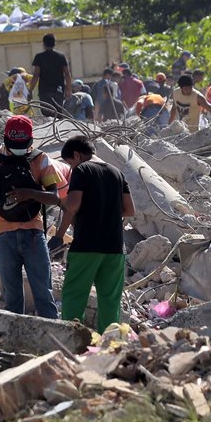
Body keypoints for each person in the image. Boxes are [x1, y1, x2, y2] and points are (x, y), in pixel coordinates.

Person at [0, 116, 60, 319]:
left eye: (22, 144)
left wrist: (30, 193)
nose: (18, 148)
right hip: (4, 236)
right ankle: (13, 344)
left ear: (30, 141)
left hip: (33, 234)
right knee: (12, 298)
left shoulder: (40, 159)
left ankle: (53, 344)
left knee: (44, 294)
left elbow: (55, 197)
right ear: (5, 139)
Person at [49, 136, 134, 332]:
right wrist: (105, 209)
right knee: (110, 301)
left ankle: (70, 339)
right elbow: (129, 210)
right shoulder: (117, 173)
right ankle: (110, 347)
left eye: (69, 163)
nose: (70, 167)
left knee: (74, 295)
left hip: (87, 246)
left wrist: (59, 235)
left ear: (77, 155)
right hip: (114, 248)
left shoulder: (82, 169)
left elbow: (72, 206)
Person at [28, 33, 71, 118]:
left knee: (47, 116)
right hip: (58, 91)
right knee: (59, 115)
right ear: (54, 43)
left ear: (43, 44)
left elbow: (36, 75)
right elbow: (67, 74)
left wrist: (30, 90)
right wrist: (68, 89)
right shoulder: (61, 56)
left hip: (44, 92)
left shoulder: (39, 57)